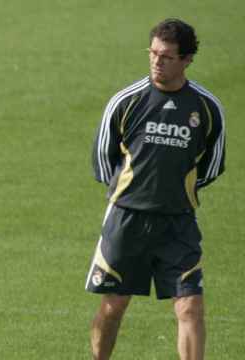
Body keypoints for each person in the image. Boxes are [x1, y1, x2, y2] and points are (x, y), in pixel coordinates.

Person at [85, 18, 225, 360]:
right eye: (153, 53)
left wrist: (178, 192)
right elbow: (103, 158)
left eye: (166, 56)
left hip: (177, 224)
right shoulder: (127, 101)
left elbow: (212, 164)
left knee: (190, 308)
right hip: (127, 220)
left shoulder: (206, 108)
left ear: (187, 59)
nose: (156, 61)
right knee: (113, 306)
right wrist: (132, 194)